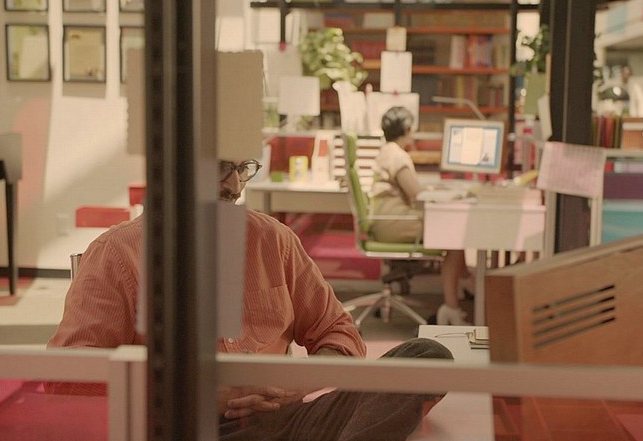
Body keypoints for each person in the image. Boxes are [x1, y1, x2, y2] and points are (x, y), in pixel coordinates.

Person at [48, 157, 454, 440]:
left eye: (243, 167)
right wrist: (201, 396)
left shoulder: (272, 240)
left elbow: (340, 335)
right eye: (221, 167)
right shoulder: (118, 253)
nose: (234, 184)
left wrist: (293, 384)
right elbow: (67, 381)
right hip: (181, 427)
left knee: (426, 357)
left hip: (286, 423)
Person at [368, 106, 471, 325]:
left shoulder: (386, 151)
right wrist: (442, 193)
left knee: (454, 232)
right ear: (407, 130)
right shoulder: (397, 156)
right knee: (455, 237)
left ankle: (465, 283)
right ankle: (452, 307)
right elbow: (416, 194)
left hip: (386, 221)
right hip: (396, 224)